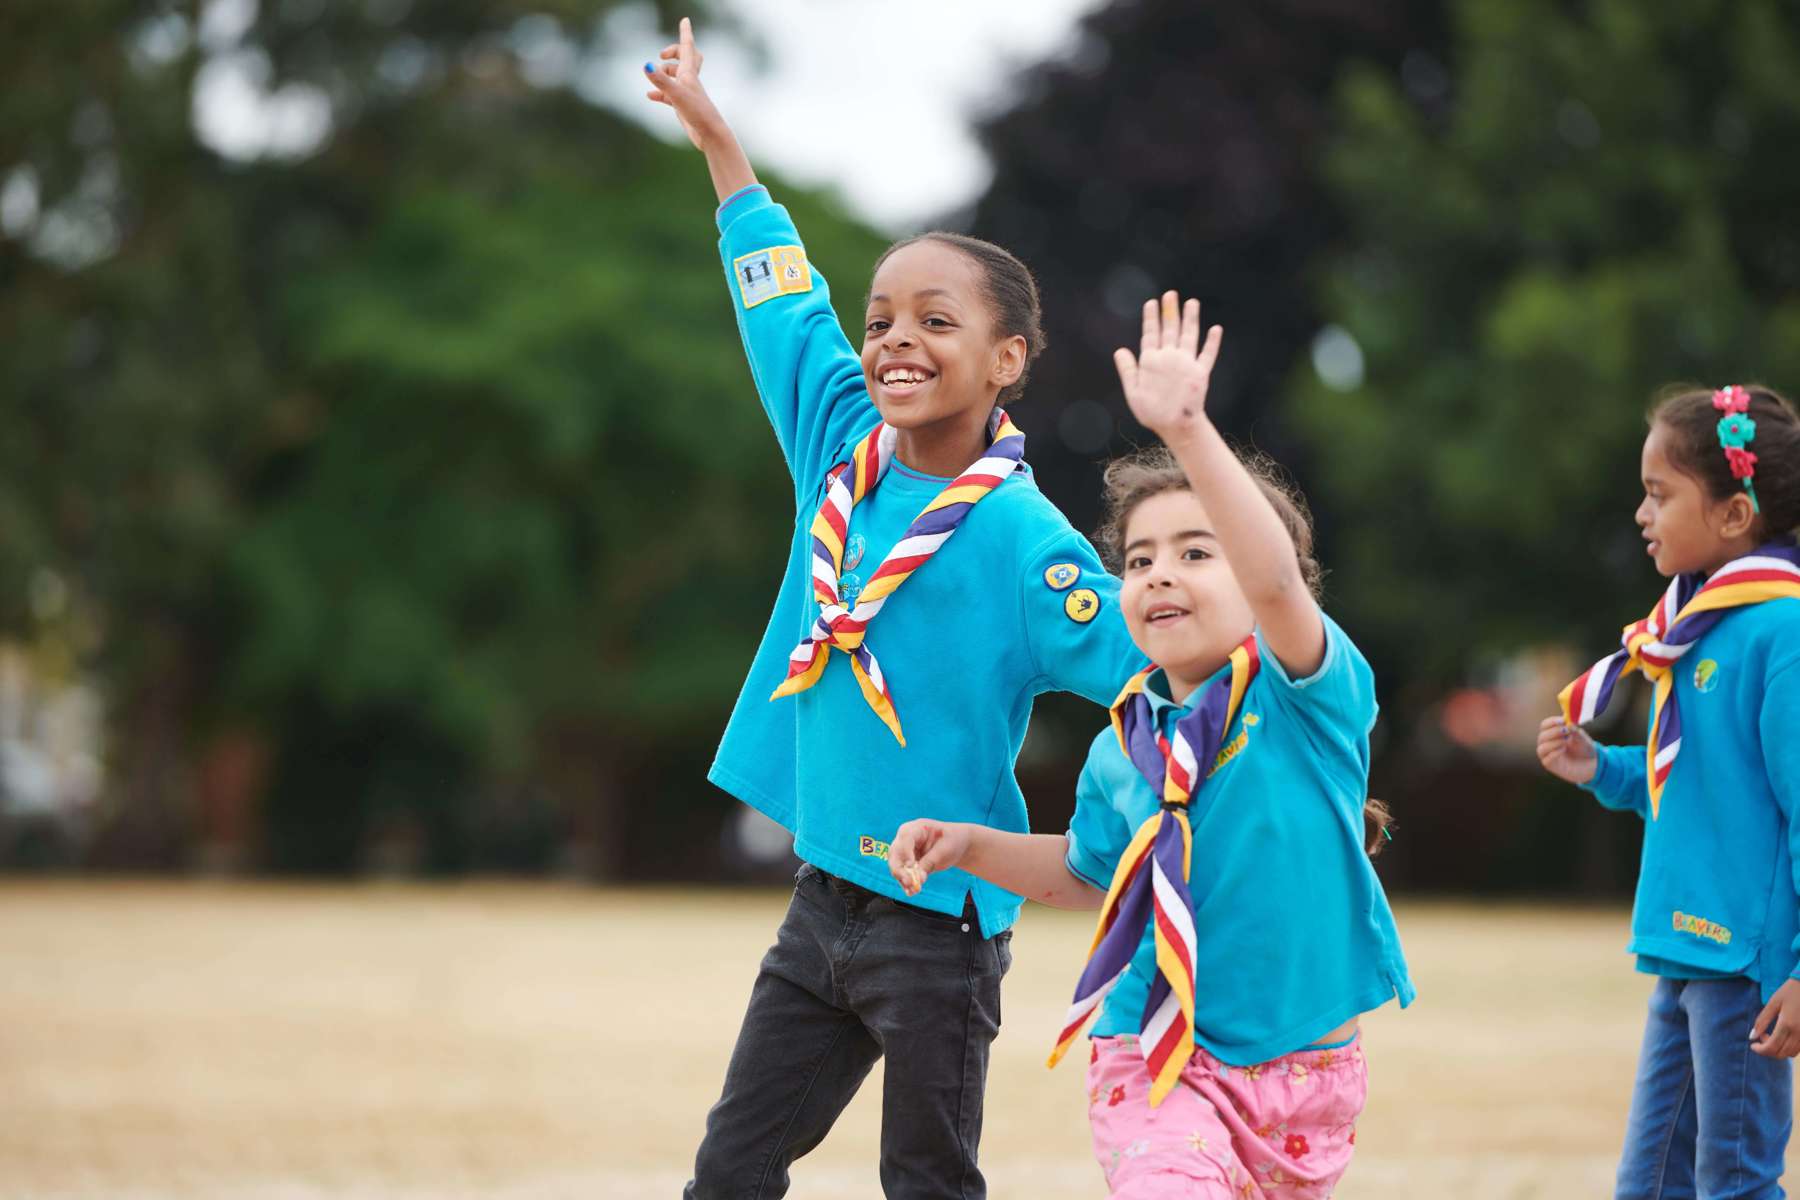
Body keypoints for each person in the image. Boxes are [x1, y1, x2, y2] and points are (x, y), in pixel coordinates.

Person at [643, 21, 1141, 1198]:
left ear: (1008, 358)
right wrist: (719, 140)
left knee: (925, 1184)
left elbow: (1148, 660)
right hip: (821, 901)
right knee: (729, 1174)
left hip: (941, 927)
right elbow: (779, 301)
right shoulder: (838, 443)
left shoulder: (1026, 540)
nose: (894, 341)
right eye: (881, 320)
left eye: (934, 321)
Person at [890, 293, 1413, 1197]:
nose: (1160, 572)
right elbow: (1091, 875)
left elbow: (1279, 583)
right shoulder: (1120, 746)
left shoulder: (1307, 702)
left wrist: (1187, 429)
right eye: (1139, 560)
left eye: (1197, 553)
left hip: (1305, 1072)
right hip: (1152, 1053)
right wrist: (971, 846)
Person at [1540, 383, 1800, 1199]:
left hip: (1747, 964)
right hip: (1685, 951)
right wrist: (1602, 768)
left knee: (1735, 1182)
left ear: (1733, 514)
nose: (1643, 514)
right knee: (1650, 1186)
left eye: (1660, 495)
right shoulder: (1688, 625)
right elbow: (1691, 785)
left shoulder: (1780, 630)